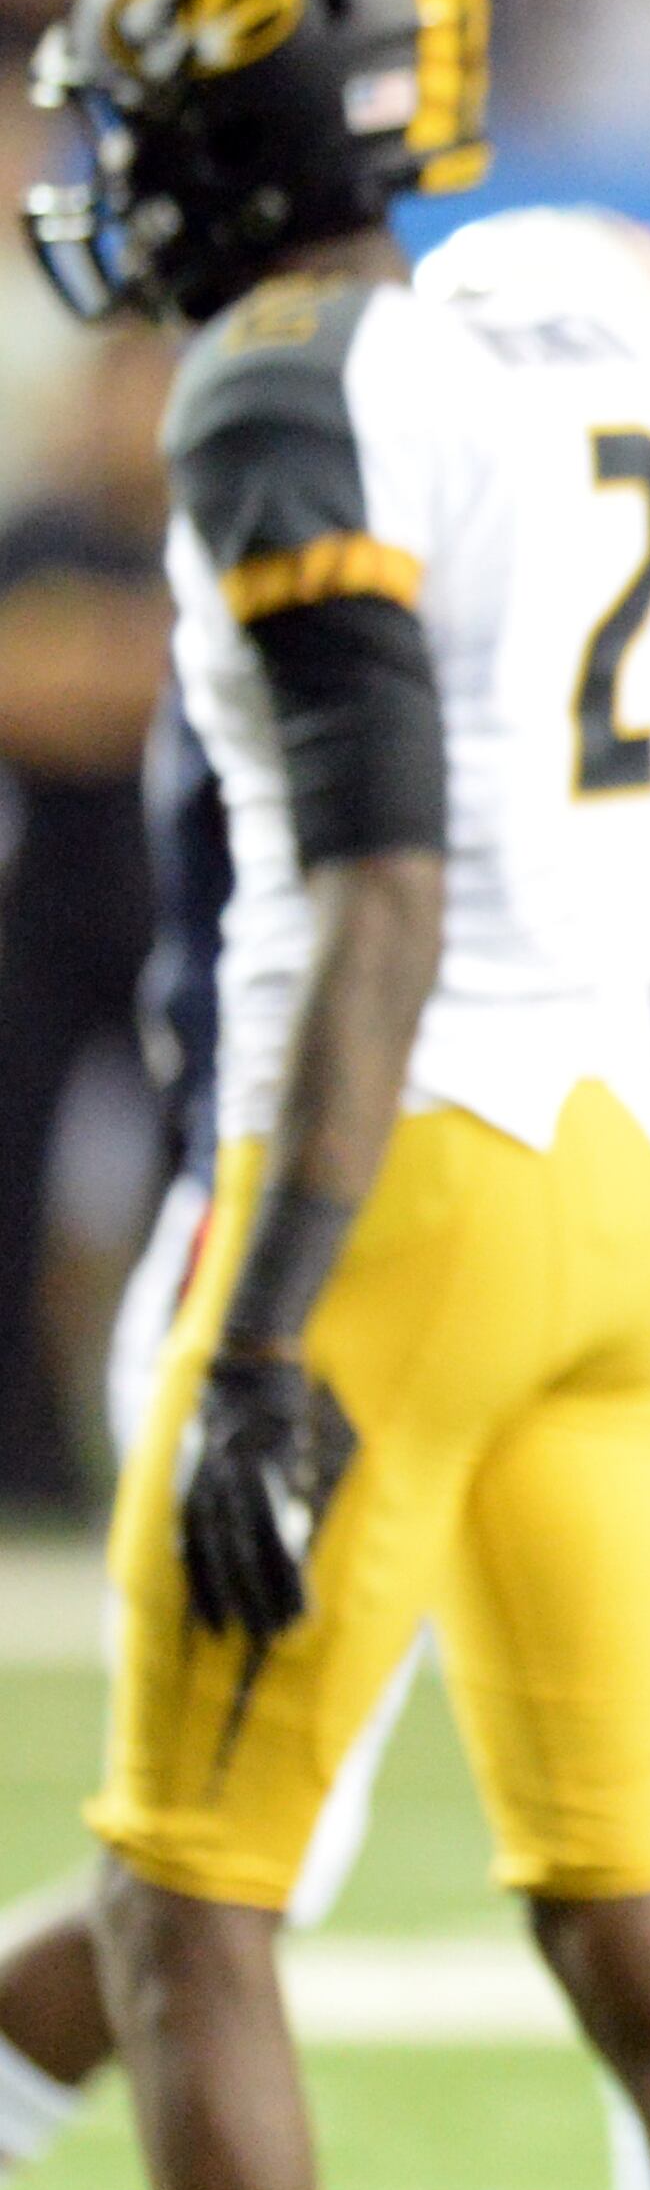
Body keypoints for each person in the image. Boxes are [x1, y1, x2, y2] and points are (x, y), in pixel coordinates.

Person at [18, 0, 650, 2190]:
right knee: (649, 1888)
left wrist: (266, 1312)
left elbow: (379, 866)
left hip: (388, 1164)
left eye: (145, 100)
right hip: (612, 1166)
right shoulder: (575, 364)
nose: (107, 159)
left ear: (240, 107)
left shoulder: (292, 382)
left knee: (187, 1894)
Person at [0, 325, 174, 1507]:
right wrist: (140, 663)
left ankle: (168, 1443)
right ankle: (26, 1456)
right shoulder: (43, 534)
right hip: (43, 911)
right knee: (15, 1189)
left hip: (169, 912)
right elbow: (24, 691)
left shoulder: (211, 526)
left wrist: (93, 660)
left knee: (189, 1193)